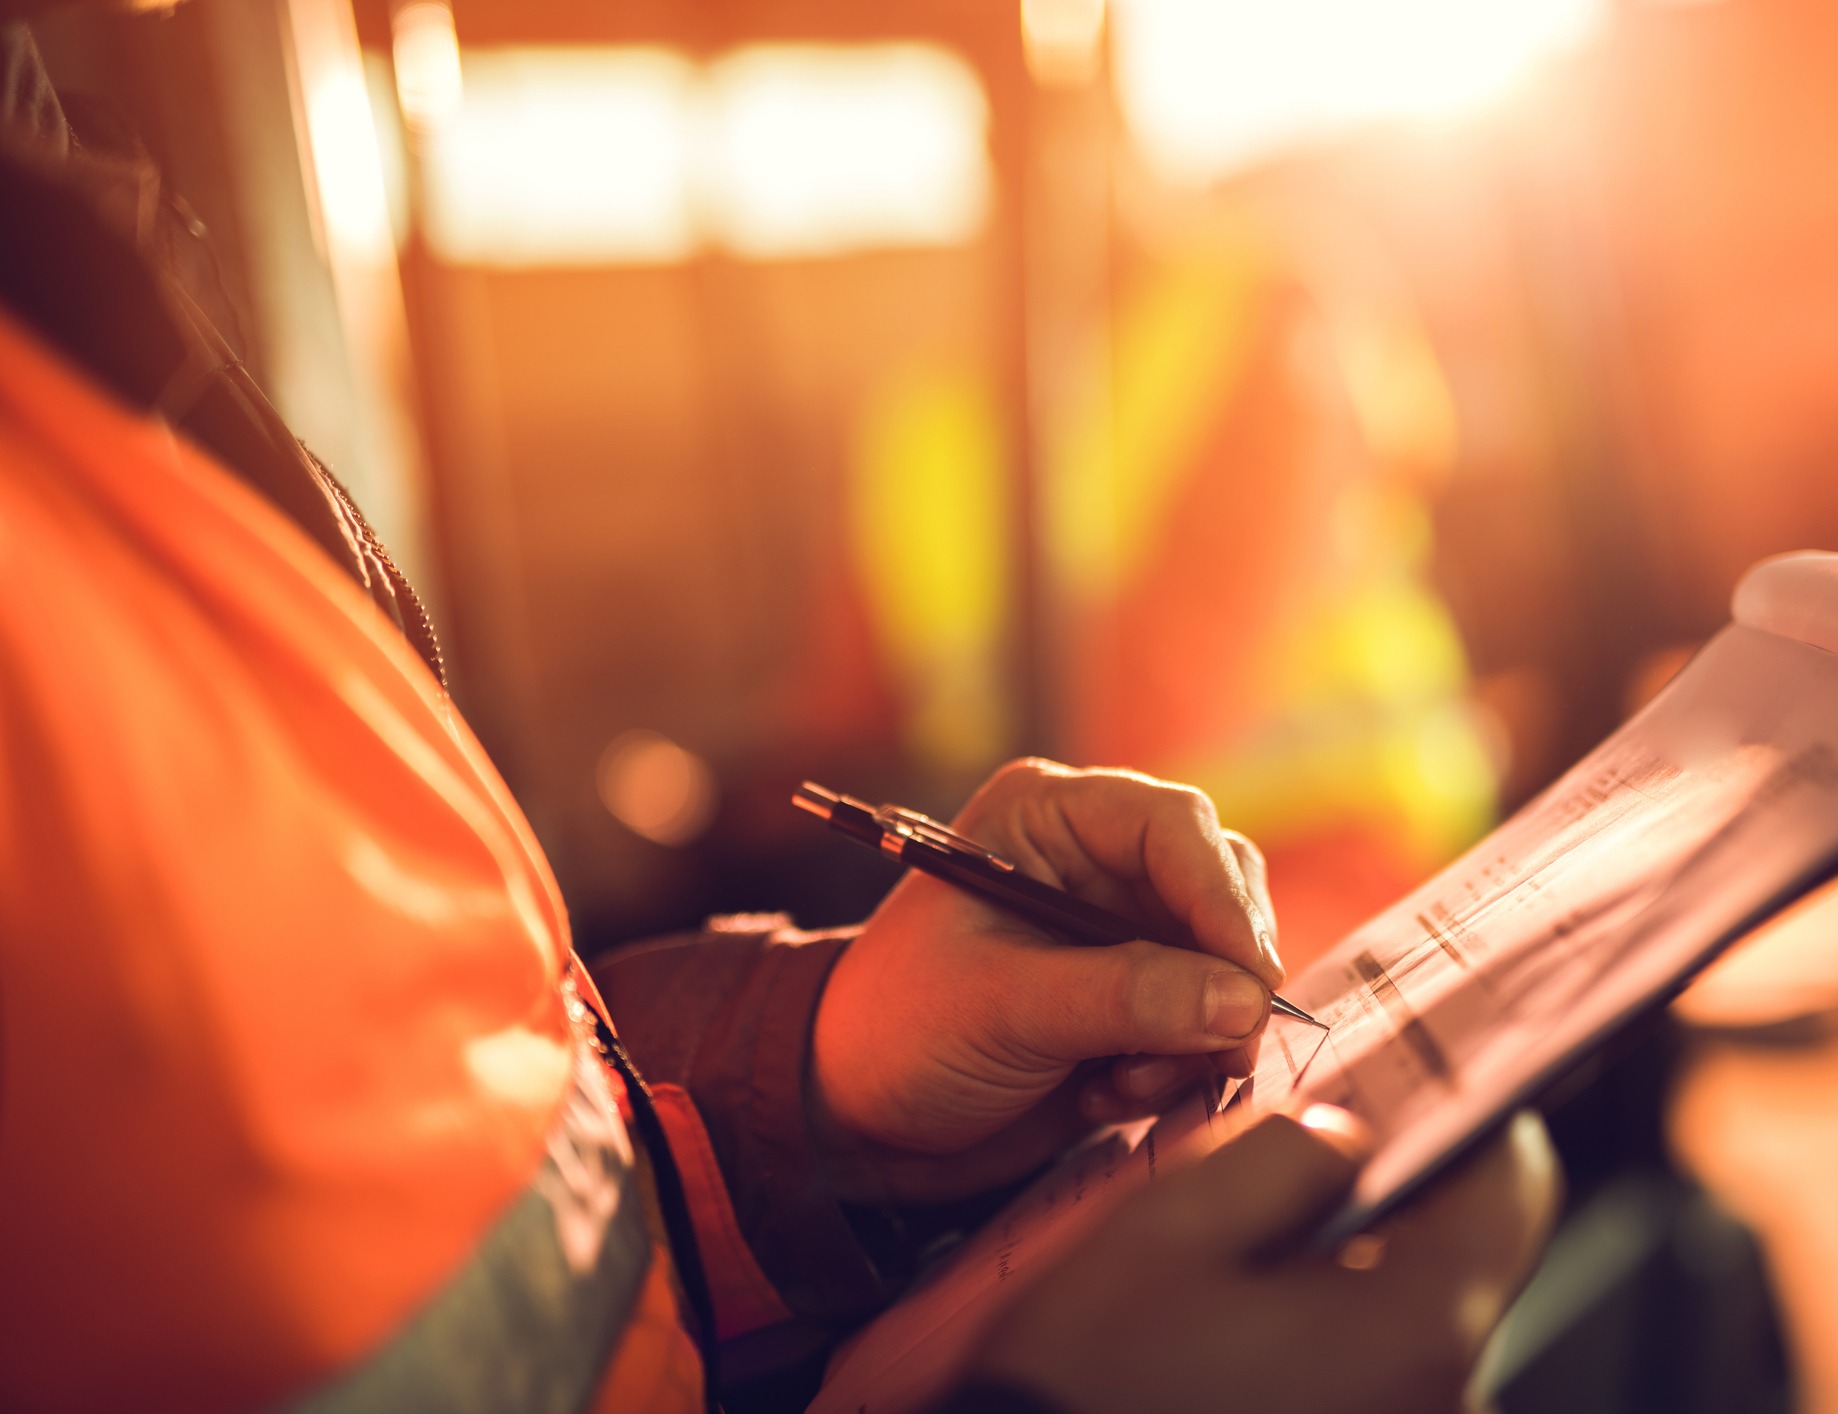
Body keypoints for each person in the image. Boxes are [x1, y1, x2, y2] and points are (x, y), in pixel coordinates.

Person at [0, 17, 1556, 1413]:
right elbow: (839, 693)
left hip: (1329, 898)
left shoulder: (1274, 313)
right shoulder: (941, 415)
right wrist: (751, 793)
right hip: (1131, 942)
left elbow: (1164, 683)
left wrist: (807, 1073)